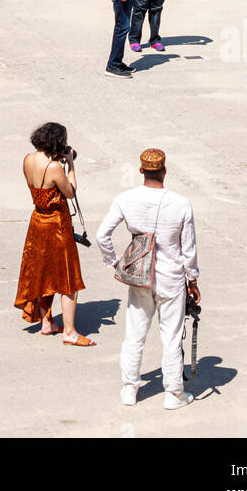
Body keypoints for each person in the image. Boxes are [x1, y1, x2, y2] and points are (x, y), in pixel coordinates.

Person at [96, 148, 200, 410]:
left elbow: (101, 236)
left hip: (140, 276)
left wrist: (117, 263)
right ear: (165, 170)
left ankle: (130, 389)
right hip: (172, 279)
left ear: (141, 170)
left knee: (135, 334)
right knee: (172, 337)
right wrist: (193, 280)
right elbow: (188, 250)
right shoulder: (181, 203)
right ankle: (173, 393)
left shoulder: (125, 199)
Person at [14, 122, 94, 347]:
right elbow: (70, 192)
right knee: (68, 278)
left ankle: (46, 322)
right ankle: (69, 331)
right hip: (56, 225)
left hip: (37, 221)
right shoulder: (54, 168)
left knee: (42, 271)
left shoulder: (28, 160)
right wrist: (70, 164)